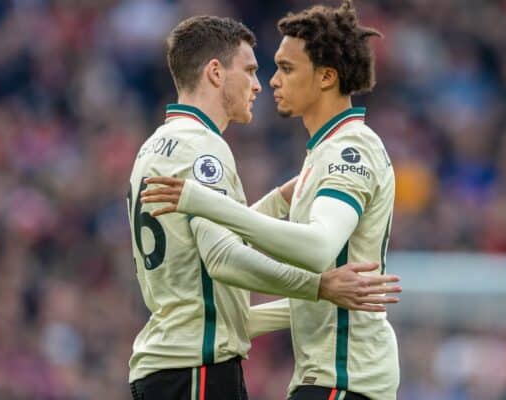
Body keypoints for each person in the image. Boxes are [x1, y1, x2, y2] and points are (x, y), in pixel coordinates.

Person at [128, 14, 401, 400]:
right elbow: (221, 257)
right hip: (198, 366)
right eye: (253, 70)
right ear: (215, 73)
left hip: (339, 378)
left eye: (284, 69)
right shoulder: (203, 147)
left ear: (325, 78)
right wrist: (317, 289)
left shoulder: (156, 145)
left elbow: (315, 250)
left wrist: (261, 205)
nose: (266, 81)